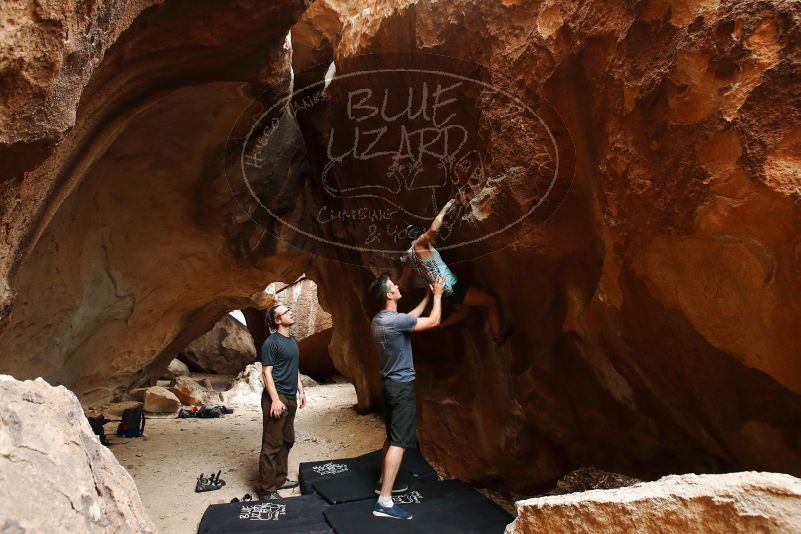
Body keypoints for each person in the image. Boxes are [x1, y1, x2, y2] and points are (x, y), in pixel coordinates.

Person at [368, 273, 445, 520]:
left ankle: (383, 482)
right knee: (400, 442)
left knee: (391, 436)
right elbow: (433, 321)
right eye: (394, 286)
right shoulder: (393, 321)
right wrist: (438, 296)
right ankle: (385, 501)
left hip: (389, 385)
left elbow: (408, 319)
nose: (398, 286)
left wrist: (425, 298)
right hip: (401, 387)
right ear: (389, 295)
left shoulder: (381, 320)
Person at [400, 198, 512, 346]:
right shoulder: (419, 246)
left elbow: (407, 277)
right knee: (491, 301)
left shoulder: (410, 256)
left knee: (466, 311)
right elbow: (433, 230)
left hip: (444, 292)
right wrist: (446, 206)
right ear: (419, 236)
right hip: (453, 288)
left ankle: (442, 326)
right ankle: (498, 336)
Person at [258, 303, 306, 499]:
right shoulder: (271, 342)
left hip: (291, 396)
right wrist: (276, 400)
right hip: (276, 398)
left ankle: (280, 478)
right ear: (278, 320)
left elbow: (294, 368)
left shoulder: (292, 340)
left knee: (287, 440)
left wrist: (301, 391)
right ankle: (267, 490)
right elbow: (266, 373)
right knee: (272, 445)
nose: (291, 312)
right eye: (286, 312)